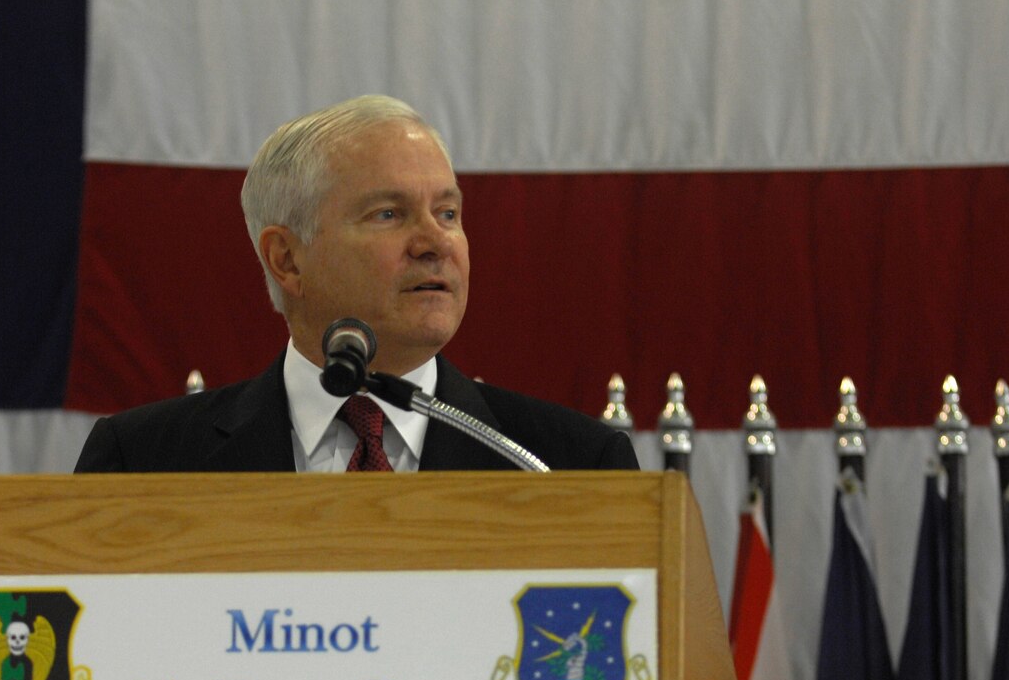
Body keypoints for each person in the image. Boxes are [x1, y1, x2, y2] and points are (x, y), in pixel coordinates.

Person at [73, 95, 639, 473]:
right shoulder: (145, 462)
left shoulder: (566, 464)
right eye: (388, 214)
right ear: (287, 259)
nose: (434, 242)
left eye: (446, 213)